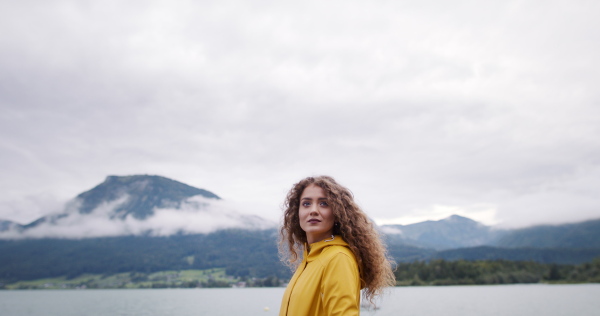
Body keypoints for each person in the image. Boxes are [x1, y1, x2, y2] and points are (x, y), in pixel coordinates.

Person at [278, 176, 395, 316]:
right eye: (306, 204)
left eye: (324, 204)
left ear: (337, 213)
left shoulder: (338, 258)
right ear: (297, 213)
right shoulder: (309, 260)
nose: (313, 210)